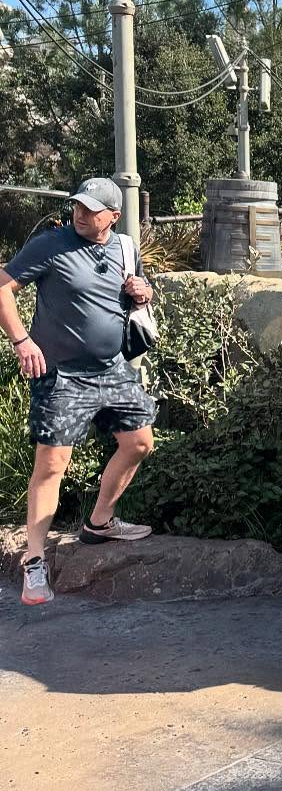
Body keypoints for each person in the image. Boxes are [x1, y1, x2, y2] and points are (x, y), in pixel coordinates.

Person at [0, 177, 157, 606]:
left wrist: (142, 292)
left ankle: (100, 523)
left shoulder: (125, 247)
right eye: (77, 207)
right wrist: (21, 341)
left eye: (91, 209)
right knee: (53, 465)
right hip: (62, 375)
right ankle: (34, 563)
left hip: (112, 368)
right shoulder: (50, 244)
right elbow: (2, 287)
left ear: (114, 216)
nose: (81, 214)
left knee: (140, 442)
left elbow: (137, 293)